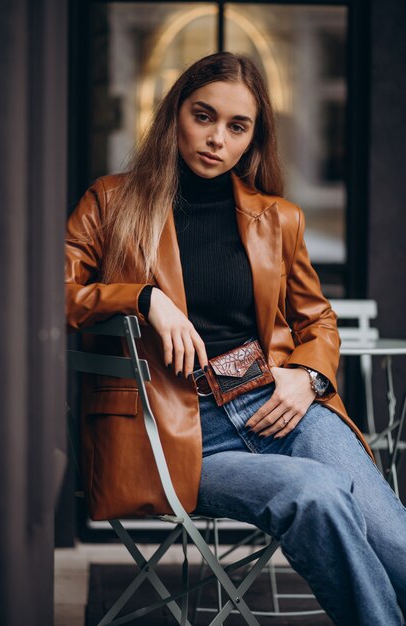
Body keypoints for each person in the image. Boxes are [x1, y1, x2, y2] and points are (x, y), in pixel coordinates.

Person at [65, 52, 406, 625]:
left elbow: (316, 320)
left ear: (253, 138)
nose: (216, 138)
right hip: (175, 429)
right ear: (176, 114)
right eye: (204, 116)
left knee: (393, 535)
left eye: (236, 127)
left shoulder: (278, 218)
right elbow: (57, 294)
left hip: (278, 404)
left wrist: (309, 376)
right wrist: (143, 298)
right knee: (316, 495)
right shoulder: (110, 203)